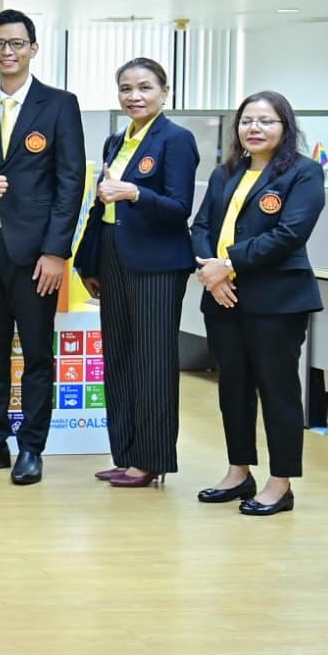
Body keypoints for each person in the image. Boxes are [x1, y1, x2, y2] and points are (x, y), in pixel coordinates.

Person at [0, 9, 85, 486]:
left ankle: (31, 447)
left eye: (16, 43)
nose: (7, 52)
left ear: (33, 48)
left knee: (35, 356)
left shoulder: (60, 104)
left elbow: (70, 182)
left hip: (35, 256)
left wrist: (56, 252)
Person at [190, 90, 325, 517]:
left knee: (278, 390)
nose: (255, 128)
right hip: (223, 298)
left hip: (277, 300)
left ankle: (280, 483)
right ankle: (238, 472)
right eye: (248, 121)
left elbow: (289, 234)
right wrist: (211, 272)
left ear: (285, 127)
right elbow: (201, 227)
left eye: (266, 121)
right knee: (233, 387)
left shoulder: (303, 173)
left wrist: (227, 265)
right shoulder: (226, 172)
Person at [73, 58, 198, 489]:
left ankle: (152, 458)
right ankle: (125, 455)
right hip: (113, 257)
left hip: (157, 263)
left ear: (165, 92)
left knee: (152, 362)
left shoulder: (176, 140)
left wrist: (135, 192)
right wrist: (88, 263)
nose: (135, 96)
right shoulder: (116, 140)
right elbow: (100, 206)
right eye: (126, 89)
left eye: (145, 87)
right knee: (120, 359)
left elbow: (179, 207)